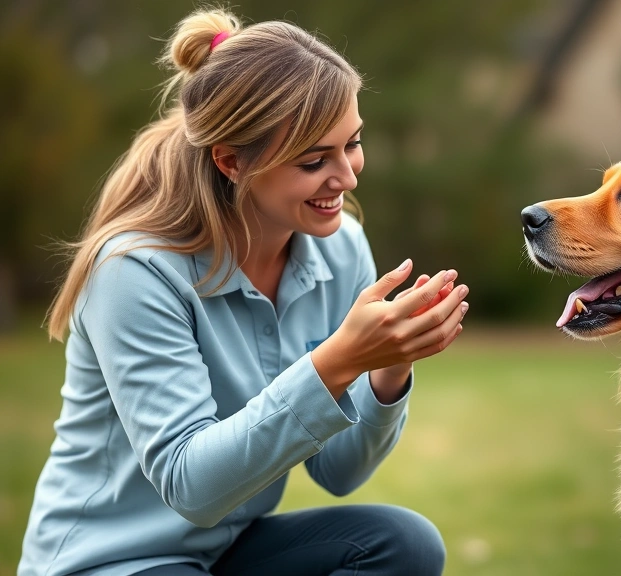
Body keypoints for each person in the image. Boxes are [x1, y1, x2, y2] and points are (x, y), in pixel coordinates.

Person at [18, 8, 467, 576]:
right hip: (109, 560)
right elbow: (192, 487)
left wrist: (387, 370)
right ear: (231, 161)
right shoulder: (134, 271)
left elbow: (340, 473)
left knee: (403, 543)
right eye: (313, 161)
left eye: (352, 144)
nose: (348, 176)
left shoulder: (340, 246)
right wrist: (337, 362)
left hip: (224, 551)